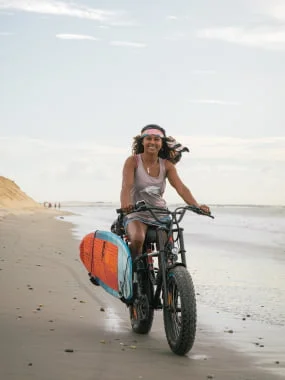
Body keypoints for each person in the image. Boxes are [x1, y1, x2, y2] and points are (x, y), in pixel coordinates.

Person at [120, 124, 211, 262]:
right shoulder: (132, 161)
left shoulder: (167, 165)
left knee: (168, 251)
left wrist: (196, 205)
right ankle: (133, 274)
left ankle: (170, 276)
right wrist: (125, 204)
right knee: (138, 239)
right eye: (148, 138)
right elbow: (126, 186)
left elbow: (181, 188)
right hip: (137, 213)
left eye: (156, 139)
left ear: (161, 143)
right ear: (142, 141)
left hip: (160, 214)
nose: (152, 142)